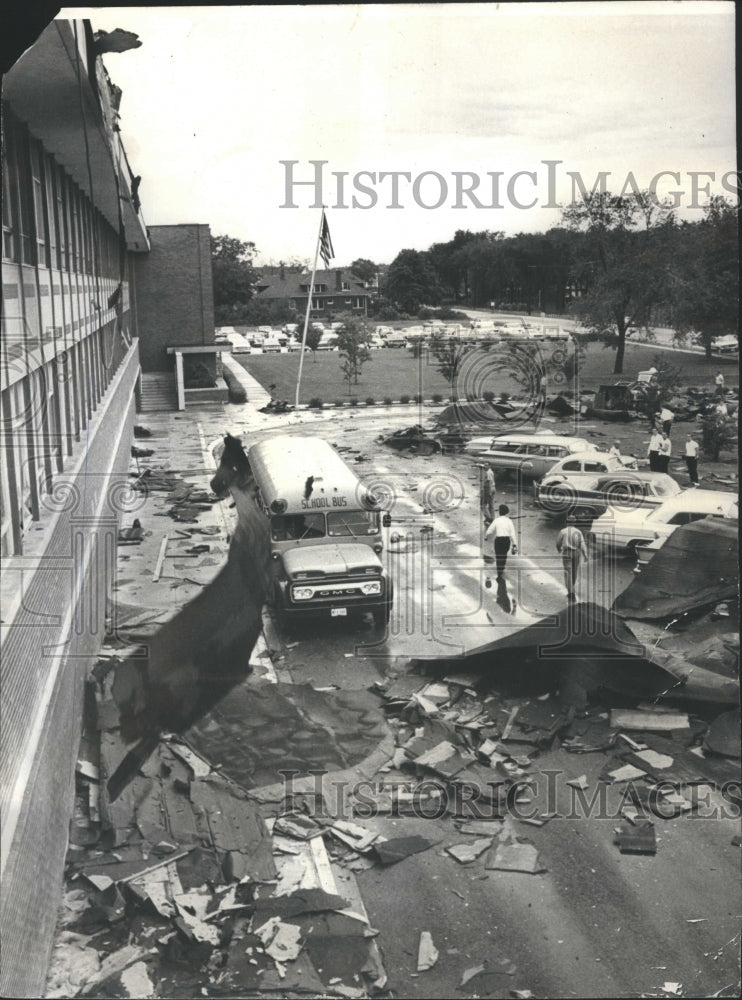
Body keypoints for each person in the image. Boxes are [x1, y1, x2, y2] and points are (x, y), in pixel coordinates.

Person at [556, 514, 589, 601]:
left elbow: (558, 542)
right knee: (574, 572)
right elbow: (582, 544)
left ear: (567, 521)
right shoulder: (578, 532)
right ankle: (572, 588)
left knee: (568, 573)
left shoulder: (563, 531)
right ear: (574, 522)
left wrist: (559, 549)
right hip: (576, 553)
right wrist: (585, 554)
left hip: (567, 553)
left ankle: (571, 592)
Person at [484, 504, 518, 579]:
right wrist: (514, 544)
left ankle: (499, 571)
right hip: (506, 541)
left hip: (498, 540)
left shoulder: (496, 520)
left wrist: (486, 536)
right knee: (504, 555)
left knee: (498, 555)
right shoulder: (509, 521)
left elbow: (490, 530)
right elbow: (512, 534)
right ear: (506, 512)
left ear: (499, 512)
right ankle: (502, 568)